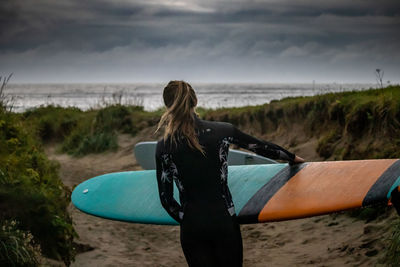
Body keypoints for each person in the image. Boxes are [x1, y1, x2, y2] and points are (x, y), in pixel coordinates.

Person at [155, 80, 305, 267]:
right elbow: (259, 147)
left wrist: (187, 218)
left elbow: (166, 200)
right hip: (223, 220)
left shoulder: (163, 146)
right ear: (195, 100)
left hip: (192, 227)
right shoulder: (222, 131)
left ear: (167, 106)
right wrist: (291, 157)